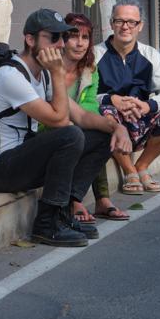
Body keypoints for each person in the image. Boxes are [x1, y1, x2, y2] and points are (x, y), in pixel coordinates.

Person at [0, 9, 131, 247]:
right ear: (30, 39)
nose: (60, 45)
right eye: (53, 38)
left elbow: (80, 115)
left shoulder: (42, 75)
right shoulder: (11, 76)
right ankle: (47, 222)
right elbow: (58, 120)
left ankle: (65, 211)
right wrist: (58, 72)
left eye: (62, 38)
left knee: (99, 136)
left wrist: (117, 127)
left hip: (22, 158)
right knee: (69, 135)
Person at [93, 0, 160, 195]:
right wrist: (112, 100)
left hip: (140, 119)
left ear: (140, 26)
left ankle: (142, 166)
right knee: (105, 111)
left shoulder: (150, 55)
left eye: (131, 22)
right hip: (111, 122)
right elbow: (82, 96)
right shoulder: (95, 55)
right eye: (119, 21)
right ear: (111, 24)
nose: (125, 27)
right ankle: (129, 172)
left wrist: (148, 106)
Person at [60, 12, 128, 222]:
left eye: (85, 37)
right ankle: (80, 200)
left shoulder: (89, 69)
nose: (80, 43)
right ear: (62, 38)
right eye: (74, 36)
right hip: (47, 131)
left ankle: (96, 199)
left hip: (77, 126)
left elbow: (89, 109)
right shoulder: (50, 68)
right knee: (86, 132)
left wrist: (116, 127)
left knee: (101, 131)